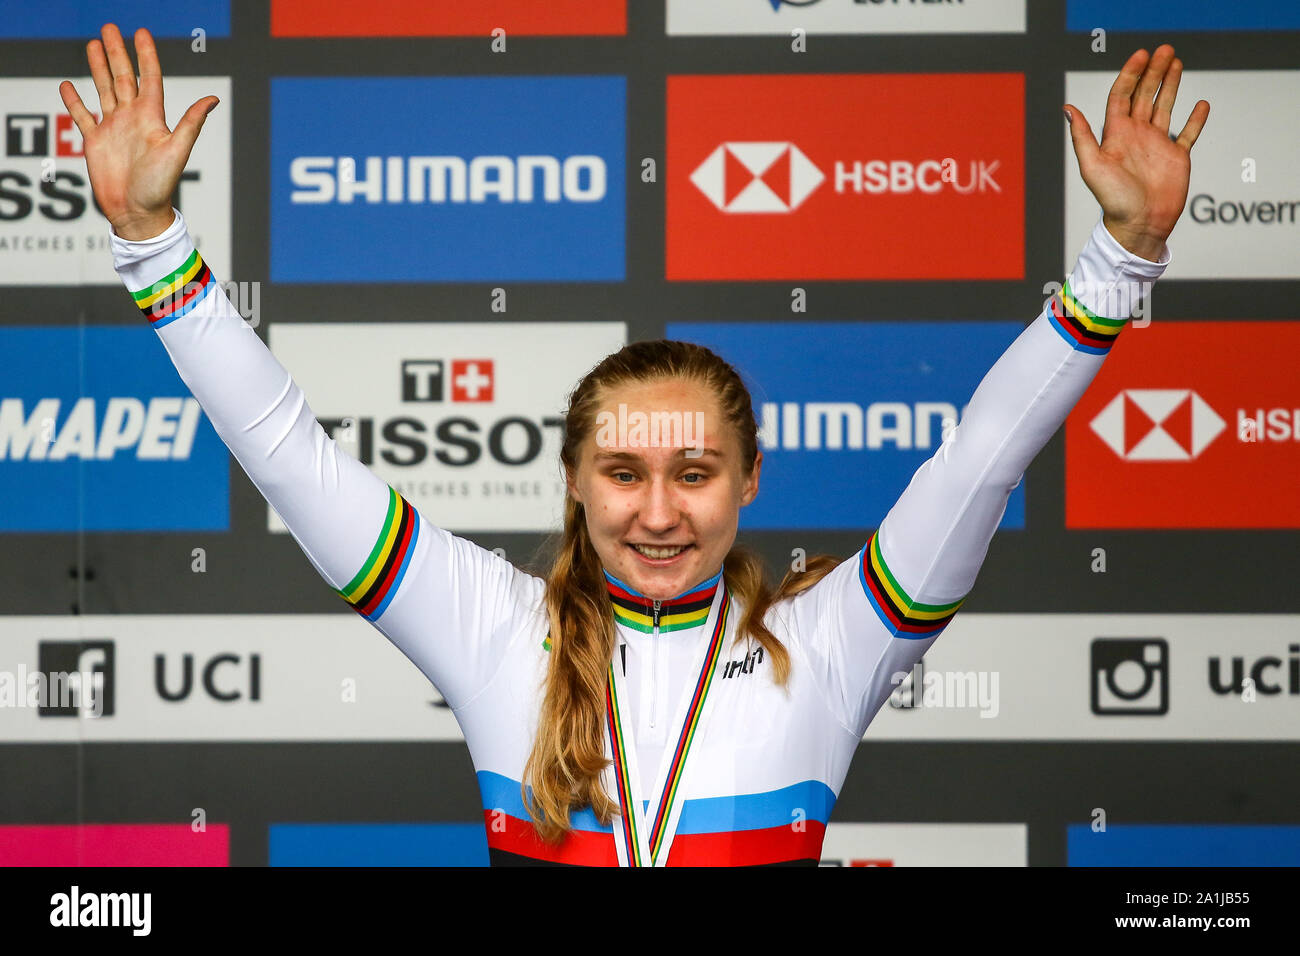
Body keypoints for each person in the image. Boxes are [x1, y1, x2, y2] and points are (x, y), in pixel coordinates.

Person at [61, 24, 1208, 866]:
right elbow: (287, 455)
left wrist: (1121, 260)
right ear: (573, 480)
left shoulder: (836, 635)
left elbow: (979, 458)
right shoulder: (491, 626)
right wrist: (150, 241)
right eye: (623, 471)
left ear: (749, 479)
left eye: (693, 473)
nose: (657, 510)